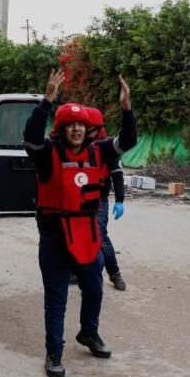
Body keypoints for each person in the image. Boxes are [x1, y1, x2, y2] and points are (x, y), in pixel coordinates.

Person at [23, 70, 137, 377]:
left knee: (94, 288)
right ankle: (54, 353)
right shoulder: (48, 154)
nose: (76, 128)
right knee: (56, 297)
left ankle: (89, 333)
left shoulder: (98, 152)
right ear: (61, 129)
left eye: (81, 125)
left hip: (87, 235)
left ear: (88, 130)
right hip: (55, 237)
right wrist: (47, 100)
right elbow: (31, 136)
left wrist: (127, 109)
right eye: (70, 124)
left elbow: (128, 140)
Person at [85, 107, 127, 291]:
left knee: (100, 237)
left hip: (99, 199)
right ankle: (76, 271)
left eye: (87, 128)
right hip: (79, 200)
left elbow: (117, 175)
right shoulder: (80, 146)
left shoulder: (107, 147)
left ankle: (114, 273)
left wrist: (120, 200)